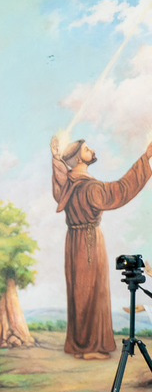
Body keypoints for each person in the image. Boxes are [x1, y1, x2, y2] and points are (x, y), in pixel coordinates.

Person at [50, 136, 152, 360]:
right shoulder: (90, 187)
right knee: (92, 291)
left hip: (73, 241)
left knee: (79, 292)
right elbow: (120, 190)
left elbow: (59, 182)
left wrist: (56, 159)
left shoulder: (69, 185)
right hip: (89, 242)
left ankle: (80, 346)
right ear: (78, 158)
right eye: (87, 149)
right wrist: (145, 158)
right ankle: (91, 348)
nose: (92, 150)